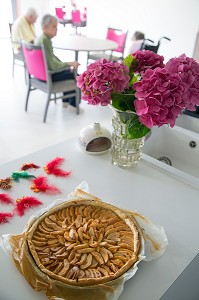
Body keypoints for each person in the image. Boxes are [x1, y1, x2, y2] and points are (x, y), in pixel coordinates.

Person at [37, 14, 80, 108]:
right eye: (54, 26)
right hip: (48, 76)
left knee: (68, 70)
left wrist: (67, 64)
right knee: (76, 75)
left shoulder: (41, 38)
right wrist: (68, 64)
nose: (56, 29)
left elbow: (51, 58)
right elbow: (52, 65)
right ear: (45, 27)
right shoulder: (44, 40)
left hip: (40, 74)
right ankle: (73, 104)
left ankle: (65, 100)